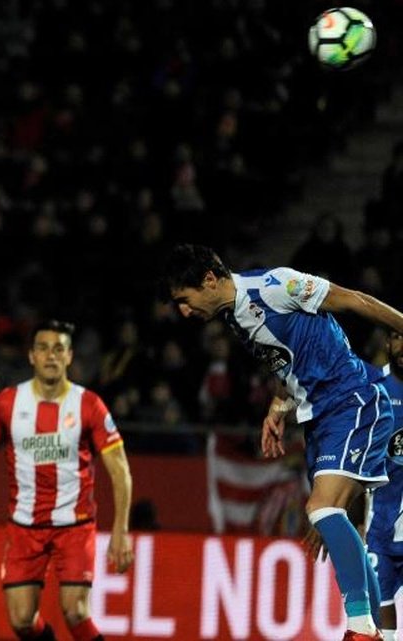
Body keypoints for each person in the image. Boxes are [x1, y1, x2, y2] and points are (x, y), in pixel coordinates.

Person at [162, 243, 403, 641]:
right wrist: (278, 404)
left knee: (322, 509)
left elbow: (354, 300)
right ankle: (385, 634)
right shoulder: (236, 317)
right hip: (319, 418)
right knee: (335, 521)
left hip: (352, 399)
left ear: (208, 280)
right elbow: (288, 361)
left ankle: (361, 628)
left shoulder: (275, 285)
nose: (183, 312)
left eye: (184, 300)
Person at [0, 320, 135, 641]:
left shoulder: (90, 405)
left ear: (70, 356)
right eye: (43, 348)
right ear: (31, 356)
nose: (51, 356)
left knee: (75, 611)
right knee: (21, 621)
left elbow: (119, 469)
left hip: (75, 524)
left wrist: (120, 531)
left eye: (59, 349)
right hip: (24, 526)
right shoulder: (7, 403)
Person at [362, 331, 403, 641]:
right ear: (388, 343)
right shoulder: (372, 386)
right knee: (380, 609)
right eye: (397, 336)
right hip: (382, 528)